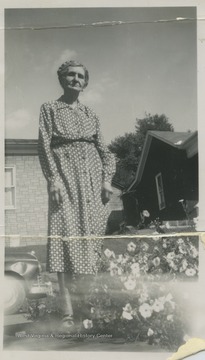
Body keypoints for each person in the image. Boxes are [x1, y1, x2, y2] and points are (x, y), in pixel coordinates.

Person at [38, 60, 116, 329]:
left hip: (92, 183)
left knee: (90, 242)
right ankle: (69, 314)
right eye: (70, 75)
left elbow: (104, 150)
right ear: (61, 79)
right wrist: (53, 181)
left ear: (85, 82)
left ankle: (89, 309)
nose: (75, 79)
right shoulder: (49, 108)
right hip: (65, 182)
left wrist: (107, 180)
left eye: (80, 76)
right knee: (64, 241)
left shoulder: (91, 114)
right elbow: (45, 147)